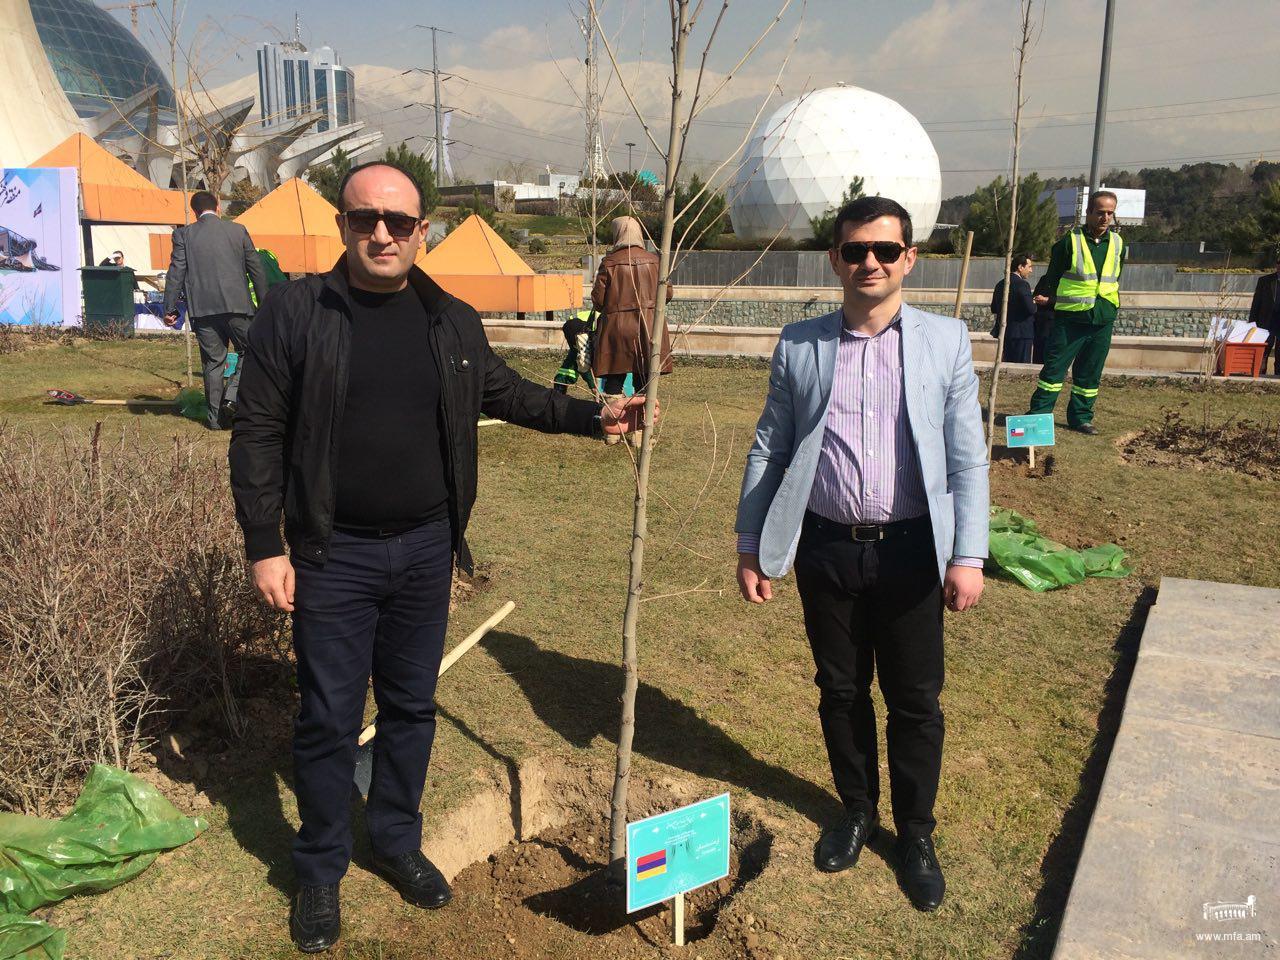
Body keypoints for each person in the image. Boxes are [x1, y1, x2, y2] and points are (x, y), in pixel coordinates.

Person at [228, 160, 649, 954]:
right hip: (333, 554)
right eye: (364, 219)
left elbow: (507, 393)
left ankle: (392, 838)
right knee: (327, 718)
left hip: (425, 549)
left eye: (397, 221)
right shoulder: (295, 314)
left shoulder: (448, 317)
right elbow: (256, 433)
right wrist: (264, 546)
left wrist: (593, 419)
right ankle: (320, 869)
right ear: (343, 226)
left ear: (424, 230)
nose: (380, 233)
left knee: (413, 708)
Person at [734, 196, 989, 913]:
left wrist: (968, 555)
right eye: (855, 251)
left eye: (884, 250)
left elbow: (968, 462)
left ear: (909, 258)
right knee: (840, 690)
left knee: (915, 701)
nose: (869, 262)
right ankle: (854, 811)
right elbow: (770, 448)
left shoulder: (945, 341)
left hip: (913, 553)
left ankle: (915, 834)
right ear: (835, 260)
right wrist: (751, 544)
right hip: (826, 549)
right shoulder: (800, 344)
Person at [163, 190, 267, 430]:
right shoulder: (237, 230)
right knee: (251, 351)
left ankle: (215, 420)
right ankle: (232, 397)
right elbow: (256, 269)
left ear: (194, 212)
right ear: (218, 207)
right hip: (237, 306)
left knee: (213, 362)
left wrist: (170, 308)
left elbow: (176, 271)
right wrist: (265, 303)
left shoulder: (183, 235)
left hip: (202, 310)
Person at [1026, 191, 1125, 435]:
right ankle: (1038, 416)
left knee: (1090, 374)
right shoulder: (1069, 242)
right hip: (1071, 320)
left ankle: (1081, 418)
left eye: (1110, 213)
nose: (1105, 218)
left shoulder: (1119, 244)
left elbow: (1115, 276)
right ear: (1089, 213)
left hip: (1102, 318)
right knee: (1053, 370)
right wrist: (1048, 302)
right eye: (1100, 212)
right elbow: (1053, 276)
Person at [590, 215, 674, 442]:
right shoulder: (655, 261)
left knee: (614, 379)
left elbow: (598, 300)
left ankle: (613, 431)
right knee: (644, 382)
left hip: (616, 330)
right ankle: (640, 434)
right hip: (648, 328)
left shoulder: (609, 262)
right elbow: (667, 294)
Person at [990, 253, 1037, 363]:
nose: (1031, 271)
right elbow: (1031, 309)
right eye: (1029, 267)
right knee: (1020, 367)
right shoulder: (1022, 285)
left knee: (1007, 365)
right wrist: (1034, 303)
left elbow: (994, 308)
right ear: (1020, 267)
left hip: (1006, 331)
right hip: (1022, 333)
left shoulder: (1000, 284)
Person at [1248, 252, 1278, 376]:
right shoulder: (1265, 281)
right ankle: (1259, 376)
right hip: (1266, 323)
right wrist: (1251, 323)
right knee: (1262, 354)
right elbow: (1256, 303)